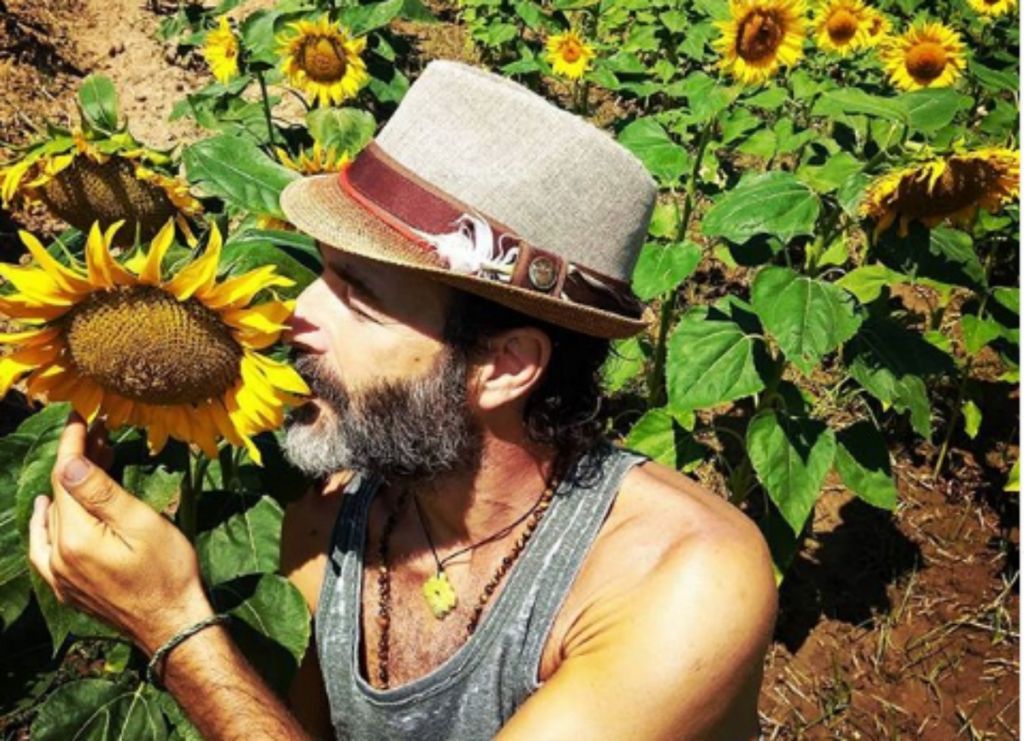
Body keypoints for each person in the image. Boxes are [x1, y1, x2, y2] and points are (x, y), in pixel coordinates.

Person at [27, 61, 777, 740]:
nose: (295, 314)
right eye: (323, 271)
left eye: (361, 297)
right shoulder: (326, 523)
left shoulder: (682, 579)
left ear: (503, 366)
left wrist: (174, 626)